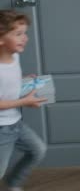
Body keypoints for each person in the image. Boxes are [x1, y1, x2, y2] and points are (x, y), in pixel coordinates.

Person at [0, 10, 47, 191]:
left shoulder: (15, 57)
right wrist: (24, 102)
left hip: (15, 123)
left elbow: (9, 86)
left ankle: (12, 184)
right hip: (2, 129)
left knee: (37, 150)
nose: (25, 38)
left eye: (25, 33)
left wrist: (24, 81)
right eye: (18, 34)